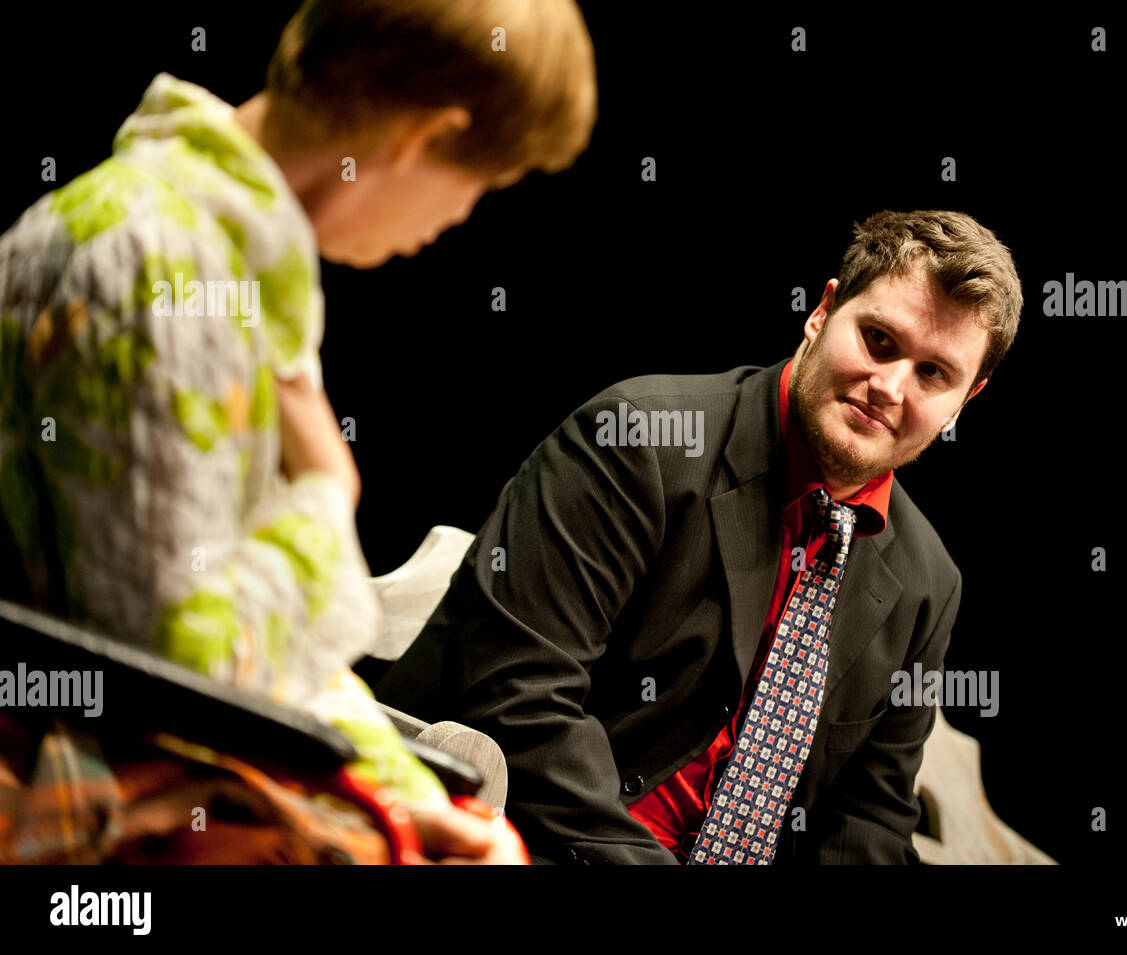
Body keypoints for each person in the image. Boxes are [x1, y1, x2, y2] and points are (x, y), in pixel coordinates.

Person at [0, 0, 596, 863]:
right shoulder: (169, 269)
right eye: (482, 185)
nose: (460, 219)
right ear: (418, 139)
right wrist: (326, 495)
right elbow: (180, 670)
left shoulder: (164, 238)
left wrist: (400, 792)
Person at [376, 210, 1024, 864]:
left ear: (966, 400)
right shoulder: (638, 440)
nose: (889, 386)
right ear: (823, 312)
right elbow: (518, 696)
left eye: (933, 373)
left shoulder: (928, 584)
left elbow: (870, 818)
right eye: (879, 339)